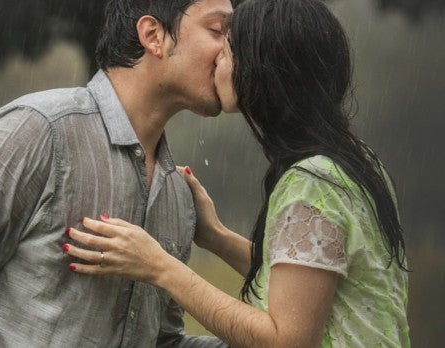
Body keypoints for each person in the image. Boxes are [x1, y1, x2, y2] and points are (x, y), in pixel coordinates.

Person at [65, 0, 411, 346]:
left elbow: (285, 340)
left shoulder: (312, 183)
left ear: (262, 70)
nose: (216, 59)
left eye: (226, 50)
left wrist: (160, 267)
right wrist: (217, 237)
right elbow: (305, 284)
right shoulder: (353, 163)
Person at [0, 0, 234, 346]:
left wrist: (268, 338)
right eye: (219, 30)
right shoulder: (35, 131)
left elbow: (161, 341)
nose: (232, 51)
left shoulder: (179, 195)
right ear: (153, 35)